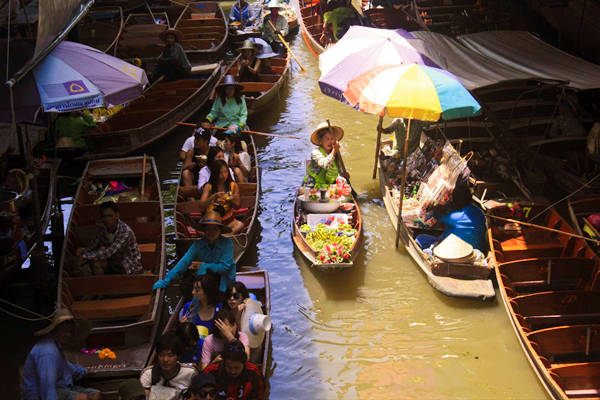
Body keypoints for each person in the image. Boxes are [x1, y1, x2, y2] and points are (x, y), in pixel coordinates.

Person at [21, 308, 102, 400]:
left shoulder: (57, 347)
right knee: (82, 398)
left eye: (69, 331)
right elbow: (47, 387)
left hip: (62, 388)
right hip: (39, 394)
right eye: (64, 331)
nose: (68, 334)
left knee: (95, 395)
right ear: (55, 330)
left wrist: (85, 370)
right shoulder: (48, 352)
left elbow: (67, 368)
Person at [152, 211, 236, 293]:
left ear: (219, 230)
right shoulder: (198, 244)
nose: (211, 232)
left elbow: (225, 268)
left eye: (214, 229)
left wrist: (204, 265)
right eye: (208, 229)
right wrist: (167, 279)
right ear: (204, 231)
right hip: (205, 275)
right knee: (186, 284)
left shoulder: (227, 244)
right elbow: (184, 262)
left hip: (223, 277)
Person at [415, 179, 487, 251]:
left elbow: (436, 214)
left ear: (454, 201)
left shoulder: (456, 217)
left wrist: (435, 203)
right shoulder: (479, 212)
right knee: (423, 238)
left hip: (459, 252)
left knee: (425, 248)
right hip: (476, 249)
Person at [77, 201, 142, 276]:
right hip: (114, 260)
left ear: (117, 216)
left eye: (110, 216)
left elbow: (110, 251)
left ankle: (102, 283)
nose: (107, 219)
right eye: (104, 216)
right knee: (83, 253)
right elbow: (94, 245)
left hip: (129, 266)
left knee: (96, 262)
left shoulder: (125, 231)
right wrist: (83, 253)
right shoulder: (103, 228)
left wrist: (86, 256)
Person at [178, 274, 222, 363]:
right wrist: (182, 326)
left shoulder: (219, 308)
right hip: (193, 349)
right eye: (193, 289)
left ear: (207, 292)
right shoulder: (190, 307)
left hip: (213, 351)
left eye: (197, 290)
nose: (193, 292)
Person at [140, 332, 197, 398]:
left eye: (170, 355)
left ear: (178, 356)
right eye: (161, 355)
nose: (165, 360)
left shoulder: (190, 373)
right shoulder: (148, 374)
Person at [199, 160, 244, 235]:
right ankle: (219, 236)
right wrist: (214, 196)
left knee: (240, 225)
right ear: (215, 173)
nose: (223, 175)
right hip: (211, 223)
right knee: (200, 231)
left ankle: (222, 236)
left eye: (225, 172)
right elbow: (201, 205)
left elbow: (237, 206)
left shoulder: (233, 185)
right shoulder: (208, 186)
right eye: (220, 173)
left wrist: (231, 199)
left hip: (228, 222)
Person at [303, 122, 349, 189]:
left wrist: (344, 175)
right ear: (320, 140)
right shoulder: (315, 152)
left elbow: (339, 171)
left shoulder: (335, 154)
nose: (330, 142)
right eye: (327, 139)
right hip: (314, 186)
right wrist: (334, 151)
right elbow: (325, 165)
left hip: (329, 186)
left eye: (332, 139)